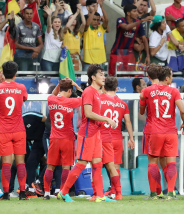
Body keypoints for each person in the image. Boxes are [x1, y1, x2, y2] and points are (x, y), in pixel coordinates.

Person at [57, 64, 117, 203]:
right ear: (93, 77)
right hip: (87, 133)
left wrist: (102, 122)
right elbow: (89, 114)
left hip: (96, 133)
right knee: (81, 164)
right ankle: (63, 192)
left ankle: (99, 195)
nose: (103, 77)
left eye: (103, 74)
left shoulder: (95, 92)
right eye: (101, 74)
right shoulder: (90, 92)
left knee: (97, 164)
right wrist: (106, 118)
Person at [139, 66, 184, 200]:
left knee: (153, 163)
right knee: (171, 163)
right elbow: (182, 111)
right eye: (171, 76)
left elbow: (142, 111)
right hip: (170, 131)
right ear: (166, 78)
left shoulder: (146, 91)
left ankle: (154, 194)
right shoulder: (174, 91)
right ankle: (171, 193)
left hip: (154, 131)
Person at [0, 61, 29, 200]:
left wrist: (1, 82)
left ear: (3, 72)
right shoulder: (21, 87)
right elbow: (24, 99)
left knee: (6, 163)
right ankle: (23, 193)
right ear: (16, 73)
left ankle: (6, 193)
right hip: (19, 129)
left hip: (4, 130)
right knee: (21, 162)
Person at [43, 79, 83, 200]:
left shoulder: (51, 99)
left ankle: (46, 193)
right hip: (68, 138)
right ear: (70, 90)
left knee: (50, 166)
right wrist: (77, 86)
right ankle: (62, 192)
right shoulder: (71, 101)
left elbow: (54, 93)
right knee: (66, 167)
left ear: (60, 88)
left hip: (54, 138)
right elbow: (85, 96)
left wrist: (60, 85)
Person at [98, 77, 133, 200]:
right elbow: (128, 122)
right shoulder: (123, 104)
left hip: (102, 137)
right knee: (115, 167)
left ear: (103, 87)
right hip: (117, 138)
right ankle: (115, 192)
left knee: (97, 165)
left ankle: (98, 193)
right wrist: (131, 138)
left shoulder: (99, 100)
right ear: (117, 88)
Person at [109, 4, 152, 76]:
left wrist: (148, 55)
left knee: (129, 75)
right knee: (113, 75)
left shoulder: (138, 23)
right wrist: (140, 21)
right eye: (134, 11)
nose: (137, 13)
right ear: (128, 13)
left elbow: (144, 39)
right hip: (116, 52)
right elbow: (126, 27)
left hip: (129, 53)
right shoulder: (120, 20)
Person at [14, 7, 44, 71]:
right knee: (24, 75)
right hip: (21, 55)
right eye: (27, 13)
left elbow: (41, 44)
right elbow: (15, 45)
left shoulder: (36, 26)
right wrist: (33, 48)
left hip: (33, 54)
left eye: (31, 13)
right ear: (23, 14)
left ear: (33, 14)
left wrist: (37, 50)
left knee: (34, 75)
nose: (29, 15)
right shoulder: (18, 26)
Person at [82, 0, 108, 70]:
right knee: (85, 79)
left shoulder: (101, 28)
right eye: (94, 19)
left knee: (100, 80)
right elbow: (87, 23)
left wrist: (101, 7)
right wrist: (93, 11)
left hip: (100, 60)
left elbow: (107, 20)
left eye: (97, 20)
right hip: (88, 61)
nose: (96, 21)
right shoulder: (87, 29)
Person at [42, 5, 65, 71]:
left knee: (55, 79)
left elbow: (59, 45)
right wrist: (49, 16)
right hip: (47, 60)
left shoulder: (61, 34)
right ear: (52, 24)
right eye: (55, 22)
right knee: (48, 79)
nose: (57, 23)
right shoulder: (49, 31)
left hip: (57, 60)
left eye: (59, 22)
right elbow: (49, 25)